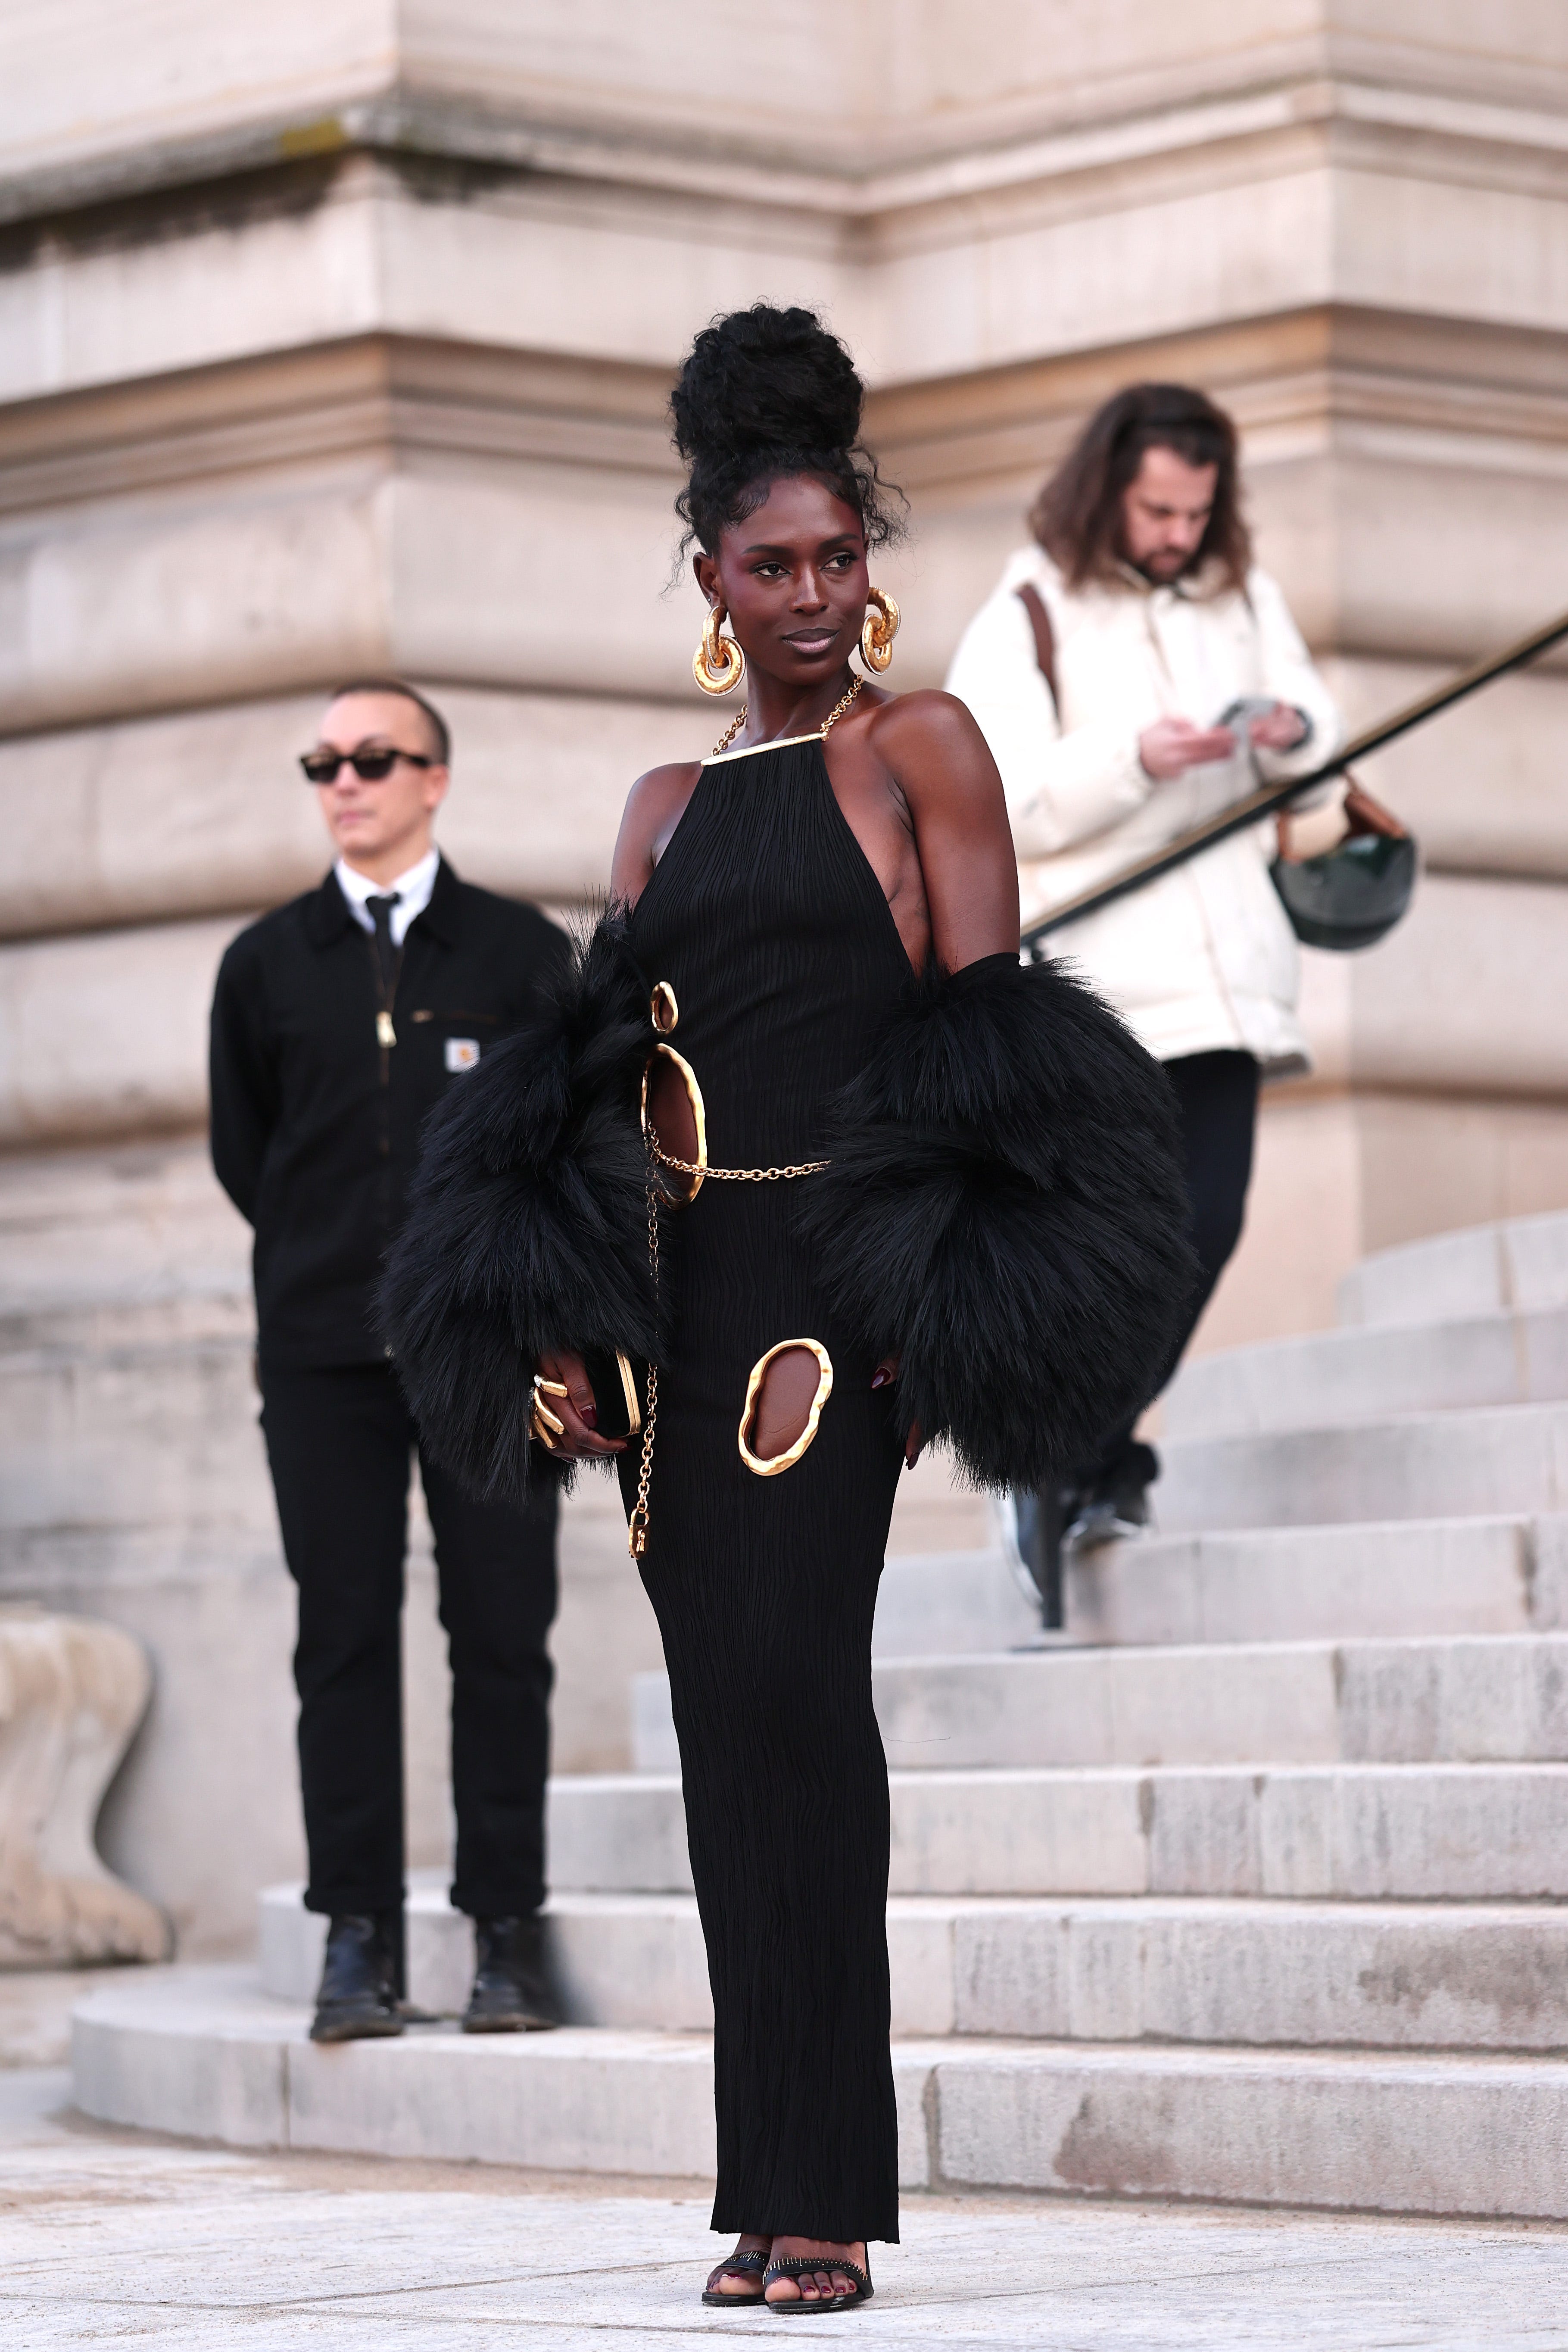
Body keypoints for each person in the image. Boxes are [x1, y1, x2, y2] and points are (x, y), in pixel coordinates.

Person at [380, 309, 1192, 2307]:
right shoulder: (660, 806)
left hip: (832, 1303)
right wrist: (554, 1324)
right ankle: (761, 2195)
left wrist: (945, 1314)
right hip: (670, 1322)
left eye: (842, 559)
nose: (818, 597)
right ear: (709, 584)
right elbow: (582, 1099)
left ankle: (827, 2193)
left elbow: (986, 1054)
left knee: (806, 1716)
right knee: (727, 1739)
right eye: (776, 566)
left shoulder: (917, 750)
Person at [209, 680, 570, 2043]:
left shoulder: (522, 953)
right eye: (324, 762)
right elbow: (253, 1157)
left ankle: (506, 1936)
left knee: (501, 1639)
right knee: (341, 1640)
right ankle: (355, 1939)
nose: (345, 780)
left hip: (489, 1350)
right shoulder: (266, 962)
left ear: (436, 779)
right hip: (320, 1357)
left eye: (374, 758)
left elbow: (565, 1152)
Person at [945, 383, 1342, 1580]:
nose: (1177, 532)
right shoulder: (1030, 604)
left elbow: (1323, 756)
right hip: (1104, 991)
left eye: (1195, 510)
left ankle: (1075, 1454)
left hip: (1229, 984)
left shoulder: (1243, 595)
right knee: (1118, 1247)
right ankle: (1081, 1461)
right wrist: (1135, 759)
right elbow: (990, 796)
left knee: (1206, 1229)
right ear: (1108, 487)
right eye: (1158, 507)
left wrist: (1289, 735)